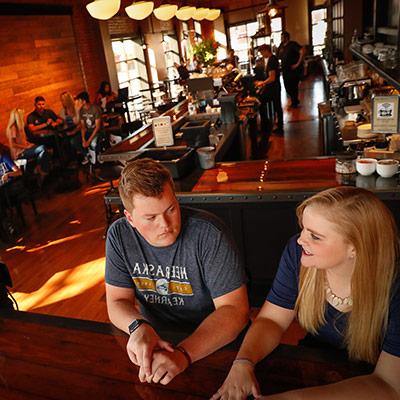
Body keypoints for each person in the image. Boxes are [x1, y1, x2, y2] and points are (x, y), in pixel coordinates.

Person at [212, 186, 400, 399]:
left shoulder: (395, 282)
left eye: (316, 236)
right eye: (303, 228)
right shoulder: (298, 252)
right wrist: (243, 363)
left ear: (355, 247)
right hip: (317, 362)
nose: (301, 240)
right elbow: (272, 320)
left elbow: (390, 385)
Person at [105, 158, 249, 386]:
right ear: (130, 218)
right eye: (150, 218)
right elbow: (117, 300)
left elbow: (235, 311)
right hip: (157, 340)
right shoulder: (119, 235)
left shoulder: (209, 233)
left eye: (171, 209)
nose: (165, 224)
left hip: (215, 340)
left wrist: (183, 354)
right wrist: (138, 326)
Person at [6, 108, 50, 177]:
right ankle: (42, 170)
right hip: (19, 154)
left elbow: (22, 141)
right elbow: (13, 144)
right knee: (42, 148)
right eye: (21, 116)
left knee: (44, 148)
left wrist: (29, 144)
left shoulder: (20, 127)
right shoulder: (13, 128)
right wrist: (26, 147)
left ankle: (39, 168)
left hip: (24, 150)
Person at [256, 44, 284, 135]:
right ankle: (272, 124)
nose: (261, 54)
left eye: (262, 52)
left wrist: (262, 83)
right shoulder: (272, 59)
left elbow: (272, 78)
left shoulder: (272, 60)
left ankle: (272, 125)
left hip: (274, 88)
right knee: (276, 106)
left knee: (261, 101)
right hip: (273, 87)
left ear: (266, 50)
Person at [277, 31, 305, 108]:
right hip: (285, 70)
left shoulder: (293, 44)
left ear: (286, 37)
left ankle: (294, 102)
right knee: (287, 86)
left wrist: (298, 64)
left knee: (293, 86)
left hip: (293, 70)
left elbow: (302, 50)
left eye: (282, 37)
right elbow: (278, 55)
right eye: (281, 37)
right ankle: (294, 99)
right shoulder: (281, 46)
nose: (281, 39)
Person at [75, 91, 104, 165]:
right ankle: (87, 155)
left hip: (97, 131)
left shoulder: (95, 109)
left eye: (79, 101)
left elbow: (97, 127)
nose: (77, 103)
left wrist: (88, 141)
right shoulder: (81, 111)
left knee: (93, 143)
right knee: (74, 141)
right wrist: (83, 139)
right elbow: (83, 127)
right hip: (88, 131)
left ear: (84, 101)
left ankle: (99, 156)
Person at [59, 91, 82, 159]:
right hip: (69, 131)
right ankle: (71, 160)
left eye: (62, 100)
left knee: (72, 141)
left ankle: (80, 156)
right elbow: (64, 124)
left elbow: (81, 124)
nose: (61, 102)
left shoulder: (77, 109)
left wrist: (73, 132)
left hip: (78, 130)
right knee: (62, 142)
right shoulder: (62, 111)